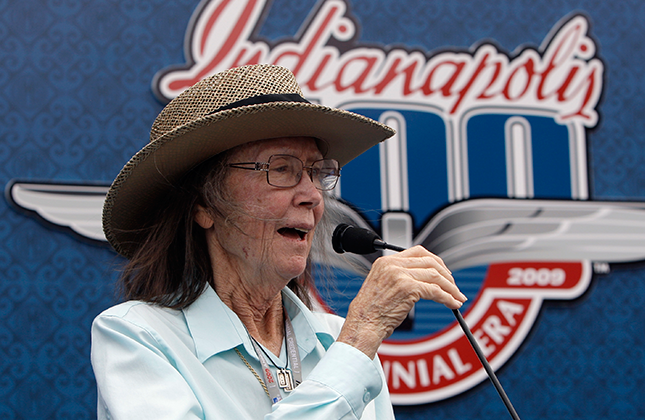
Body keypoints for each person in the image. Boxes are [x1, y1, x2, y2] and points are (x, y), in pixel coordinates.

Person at [91, 64, 467, 419]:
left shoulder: (335, 339)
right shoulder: (138, 336)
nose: (312, 195)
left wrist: (353, 344)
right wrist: (358, 342)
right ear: (203, 204)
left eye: (318, 173)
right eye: (281, 169)